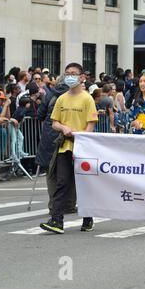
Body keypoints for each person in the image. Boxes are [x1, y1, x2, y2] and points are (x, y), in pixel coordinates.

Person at [40, 63, 98, 234]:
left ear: (82, 77)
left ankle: (88, 218)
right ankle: (57, 220)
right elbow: (54, 122)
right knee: (62, 182)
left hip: (82, 148)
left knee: (84, 185)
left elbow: (91, 124)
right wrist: (63, 128)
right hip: (64, 147)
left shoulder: (87, 98)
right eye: (67, 74)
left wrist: (81, 138)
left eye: (73, 73)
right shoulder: (61, 98)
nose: (70, 76)